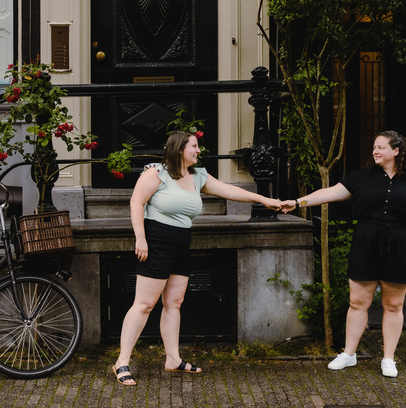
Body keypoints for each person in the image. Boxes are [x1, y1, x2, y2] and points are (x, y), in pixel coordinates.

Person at [111, 130, 283, 386]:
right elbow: (136, 202)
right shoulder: (156, 173)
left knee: (174, 303)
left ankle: (173, 359)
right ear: (180, 148)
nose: (198, 150)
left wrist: (263, 200)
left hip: (181, 245)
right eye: (194, 146)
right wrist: (140, 238)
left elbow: (229, 191)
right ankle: (122, 362)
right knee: (144, 304)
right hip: (156, 242)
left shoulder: (198, 176)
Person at [281, 130, 406, 378]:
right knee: (358, 302)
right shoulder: (362, 178)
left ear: (396, 151)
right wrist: (298, 202)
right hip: (366, 243)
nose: (375, 151)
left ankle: (388, 358)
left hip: (401, 246)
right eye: (374, 147)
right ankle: (349, 354)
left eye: (381, 147)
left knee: (394, 305)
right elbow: (330, 193)